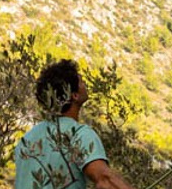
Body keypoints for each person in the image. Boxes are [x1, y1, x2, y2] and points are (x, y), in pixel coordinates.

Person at [14, 60, 137, 189]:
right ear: (74, 95)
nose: (85, 84)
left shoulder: (26, 140)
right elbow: (104, 179)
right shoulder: (80, 134)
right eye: (81, 82)